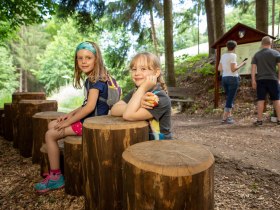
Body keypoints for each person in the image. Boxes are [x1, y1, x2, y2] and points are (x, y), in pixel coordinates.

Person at [34, 41, 109, 193]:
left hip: (91, 124)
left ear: (96, 59)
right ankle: (56, 161)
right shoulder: (92, 79)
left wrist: (68, 122)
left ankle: (55, 177)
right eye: (80, 58)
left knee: (49, 134)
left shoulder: (97, 80)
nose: (83, 61)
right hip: (88, 120)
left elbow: (89, 108)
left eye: (88, 58)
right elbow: (85, 104)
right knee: (52, 125)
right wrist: (68, 115)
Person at [111, 52, 172, 140]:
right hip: (142, 143)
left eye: (143, 69)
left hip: (159, 147)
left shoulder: (159, 98)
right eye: (134, 69)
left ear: (156, 72)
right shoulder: (135, 92)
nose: (137, 73)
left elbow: (128, 115)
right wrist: (138, 104)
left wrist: (143, 88)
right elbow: (114, 109)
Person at [251, 36, 280, 126]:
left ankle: (259, 121)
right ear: (271, 43)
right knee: (276, 100)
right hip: (273, 79)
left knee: (260, 100)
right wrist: (279, 79)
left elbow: (253, 69)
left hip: (261, 80)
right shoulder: (276, 53)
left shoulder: (257, 54)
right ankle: (279, 120)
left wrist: (253, 80)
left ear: (262, 44)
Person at [218, 40, 247, 124]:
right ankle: (224, 118)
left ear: (227, 47)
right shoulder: (233, 55)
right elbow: (233, 69)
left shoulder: (223, 56)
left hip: (224, 78)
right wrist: (242, 64)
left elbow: (219, 69)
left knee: (229, 97)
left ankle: (229, 117)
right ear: (235, 47)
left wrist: (226, 68)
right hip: (233, 78)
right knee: (230, 98)